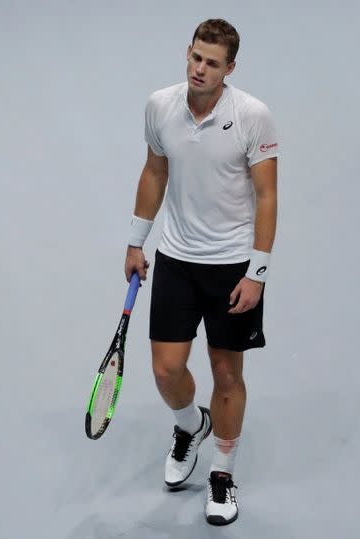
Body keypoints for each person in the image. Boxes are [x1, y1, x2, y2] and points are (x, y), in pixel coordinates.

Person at [123, 18, 279, 526]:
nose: (199, 69)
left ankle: (222, 475)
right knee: (167, 371)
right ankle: (191, 426)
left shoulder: (253, 116)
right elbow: (155, 171)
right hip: (175, 259)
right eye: (195, 57)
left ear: (229, 68)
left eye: (212, 63)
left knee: (226, 372)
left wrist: (257, 272)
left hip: (232, 264)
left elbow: (266, 196)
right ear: (186, 54)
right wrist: (135, 241)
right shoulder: (159, 106)